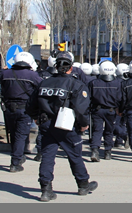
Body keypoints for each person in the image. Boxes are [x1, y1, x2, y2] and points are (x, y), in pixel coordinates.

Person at [26, 51, 97, 202]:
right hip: (66, 126)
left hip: (46, 125)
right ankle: (83, 184)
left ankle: (45, 189)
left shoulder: (43, 83)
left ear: (56, 66)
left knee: (47, 157)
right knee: (75, 156)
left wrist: (36, 118)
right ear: (71, 67)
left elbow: (30, 105)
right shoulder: (76, 84)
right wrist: (83, 125)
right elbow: (80, 109)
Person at [0, 52, 42, 172]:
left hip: (8, 108)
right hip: (24, 109)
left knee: (13, 133)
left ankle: (18, 155)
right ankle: (15, 161)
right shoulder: (32, 75)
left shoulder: (5, 73)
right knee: (21, 135)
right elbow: (41, 88)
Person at [88, 61, 122, 162]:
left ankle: (95, 150)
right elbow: (120, 98)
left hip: (97, 110)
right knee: (109, 131)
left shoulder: (93, 83)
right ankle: (108, 152)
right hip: (111, 111)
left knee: (97, 130)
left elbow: (89, 98)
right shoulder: (118, 83)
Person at [113, 63, 130, 149]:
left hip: (118, 106)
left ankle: (124, 136)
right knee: (122, 124)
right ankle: (118, 141)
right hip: (127, 105)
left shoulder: (116, 81)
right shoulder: (129, 81)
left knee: (115, 124)